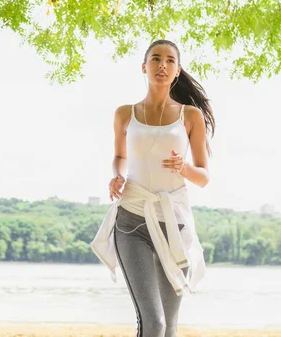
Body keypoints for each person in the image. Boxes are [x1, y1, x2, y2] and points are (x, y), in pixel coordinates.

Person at [91, 39, 215, 337]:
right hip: (132, 220)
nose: (163, 65)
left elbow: (203, 176)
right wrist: (116, 176)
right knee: (153, 323)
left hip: (174, 223)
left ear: (177, 70)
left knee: (169, 326)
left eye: (170, 60)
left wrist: (183, 167)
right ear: (144, 66)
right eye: (156, 59)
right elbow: (119, 157)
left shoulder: (190, 116)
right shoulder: (125, 113)